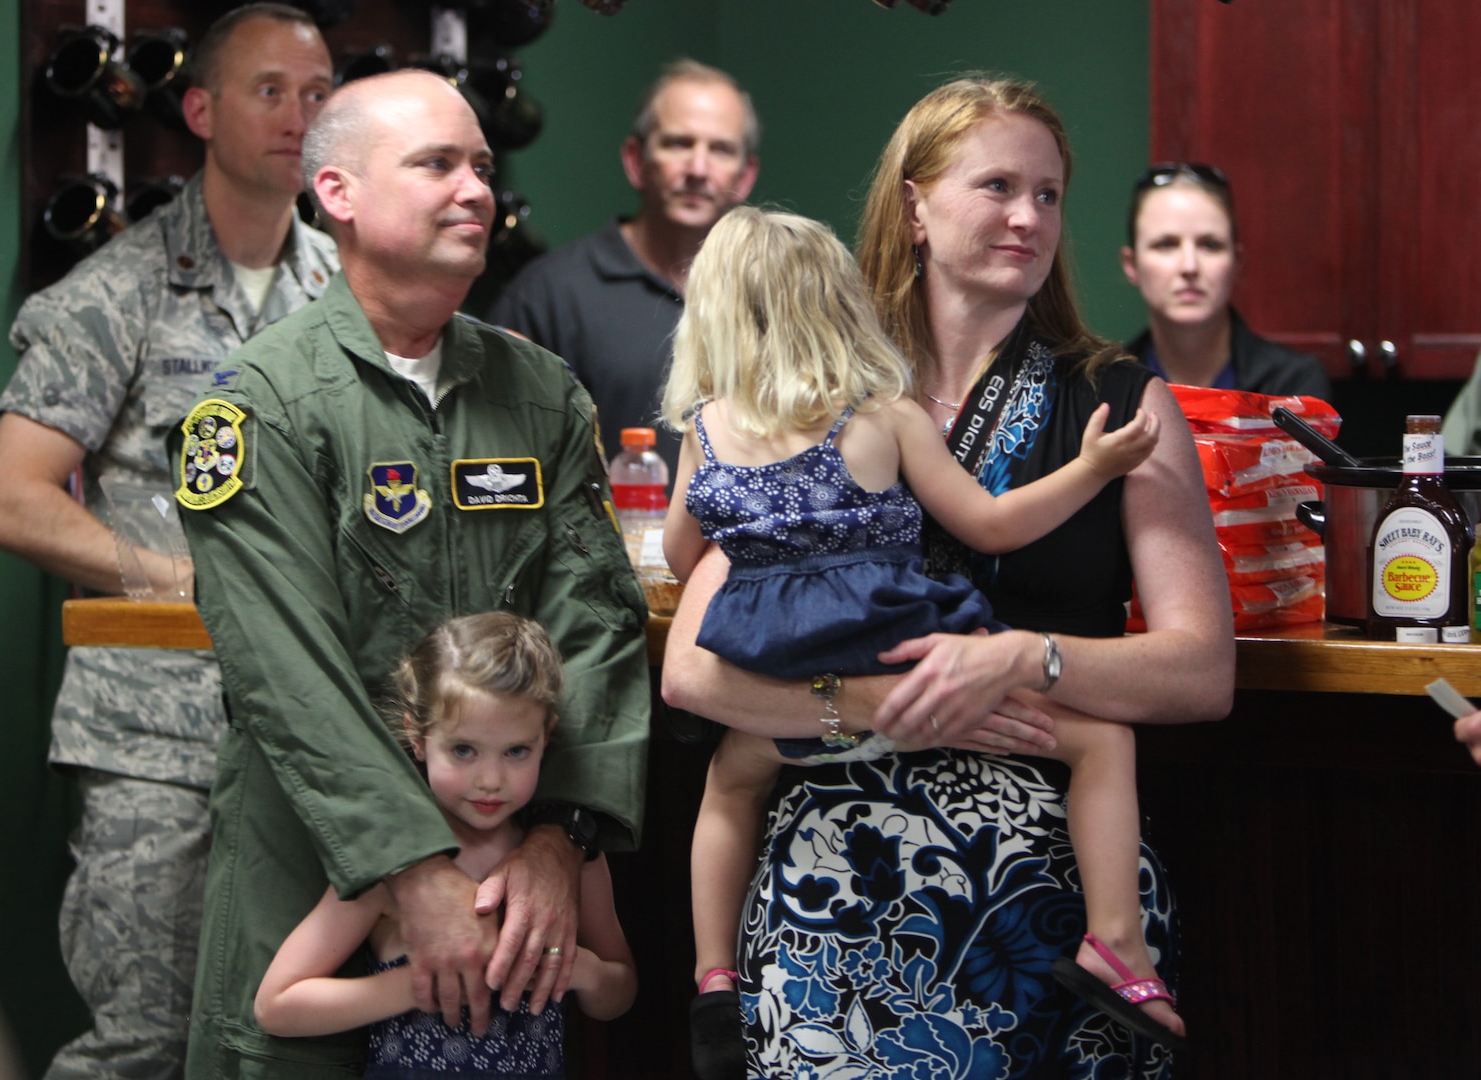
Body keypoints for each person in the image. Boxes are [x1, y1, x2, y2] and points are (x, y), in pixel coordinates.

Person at [661, 75, 1235, 1077]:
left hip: (1048, 900)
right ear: (915, 205)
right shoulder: (809, 390)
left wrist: (1021, 660)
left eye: (1049, 193)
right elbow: (694, 674)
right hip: (835, 888)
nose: (1027, 215)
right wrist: (875, 703)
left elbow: (1200, 673)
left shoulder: (1118, 403)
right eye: (998, 185)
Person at [172, 69, 651, 1077]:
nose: (476, 188)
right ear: (336, 193)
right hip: (315, 876)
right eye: (437, 163)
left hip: (510, 879)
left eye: (482, 165)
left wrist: (561, 840)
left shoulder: (539, 393)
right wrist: (408, 866)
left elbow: (598, 621)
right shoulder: (263, 405)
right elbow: (285, 670)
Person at [0, 6, 336, 1075]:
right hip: (156, 741)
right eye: (270, 91)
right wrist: (167, 574)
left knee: (288, 1044)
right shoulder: (118, 291)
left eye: (318, 96)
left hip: (309, 733)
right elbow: (9, 498)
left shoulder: (346, 299)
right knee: (144, 1044)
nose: (298, 117)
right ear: (198, 108)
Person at [253, 612, 637, 1075]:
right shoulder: (396, 865)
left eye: (517, 751)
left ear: (546, 736)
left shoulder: (574, 861)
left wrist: (580, 972)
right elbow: (277, 1005)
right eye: (463, 750)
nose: (491, 780)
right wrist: (418, 984)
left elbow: (620, 992)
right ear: (418, 738)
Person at [488, 59, 760, 478]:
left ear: (746, 176)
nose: (698, 169)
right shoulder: (550, 295)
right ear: (636, 160)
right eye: (678, 144)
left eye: (720, 149)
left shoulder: (774, 296)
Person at [1121, 162, 1332, 399]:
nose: (1189, 266)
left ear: (1236, 261)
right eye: (1166, 245)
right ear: (1131, 265)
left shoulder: (1293, 384)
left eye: (1210, 245)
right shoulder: (1105, 385)